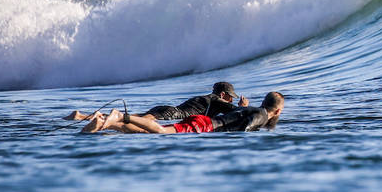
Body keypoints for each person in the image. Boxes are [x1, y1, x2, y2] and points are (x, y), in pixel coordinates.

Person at [81, 91, 284, 134]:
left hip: (204, 122)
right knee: (160, 131)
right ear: (278, 110)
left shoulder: (252, 109)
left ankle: (105, 123)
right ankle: (120, 116)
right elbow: (247, 127)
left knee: (147, 132)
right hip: (204, 125)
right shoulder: (262, 115)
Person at [66, 81, 246, 122]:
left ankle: (84, 116)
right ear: (223, 95)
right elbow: (237, 112)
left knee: (131, 118)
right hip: (172, 114)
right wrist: (242, 106)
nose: (231, 99)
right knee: (131, 120)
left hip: (167, 108)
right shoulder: (216, 100)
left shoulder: (207, 98)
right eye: (231, 97)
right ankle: (97, 118)